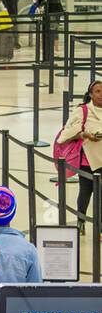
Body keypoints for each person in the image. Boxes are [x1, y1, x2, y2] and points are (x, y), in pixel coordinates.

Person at [59, 79, 102, 223]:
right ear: (90, 94)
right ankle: (81, 221)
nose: (101, 95)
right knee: (85, 192)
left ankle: (100, 228)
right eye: (97, 91)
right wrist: (84, 135)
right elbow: (66, 134)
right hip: (87, 161)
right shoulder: (82, 111)